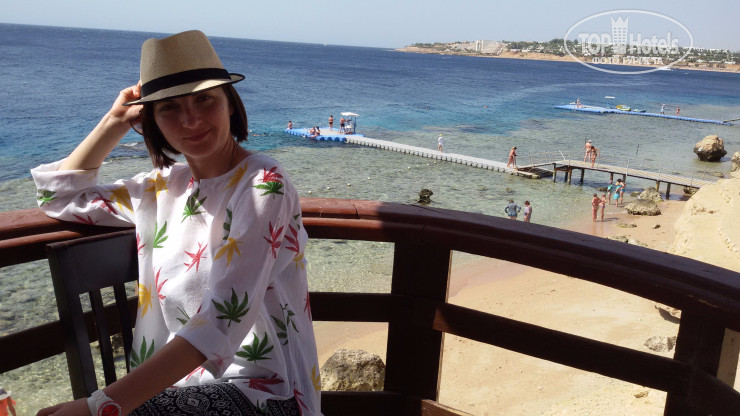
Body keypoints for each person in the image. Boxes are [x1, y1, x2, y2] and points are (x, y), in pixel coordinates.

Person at [33, 30, 320, 416]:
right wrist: (115, 121)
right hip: (175, 386)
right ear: (150, 120)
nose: (191, 119)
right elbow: (56, 197)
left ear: (230, 104)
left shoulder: (264, 183)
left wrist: (100, 406)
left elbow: (222, 319)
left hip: (263, 390)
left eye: (205, 99)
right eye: (169, 107)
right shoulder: (160, 187)